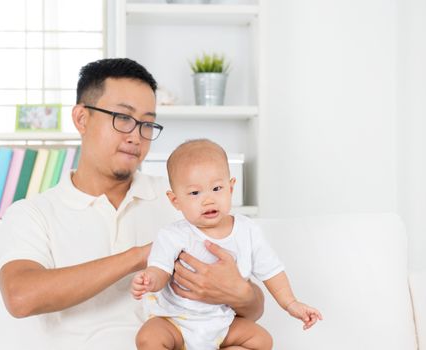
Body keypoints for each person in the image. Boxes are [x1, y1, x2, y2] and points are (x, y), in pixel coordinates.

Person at [0, 58, 266, 349]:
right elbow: (20, 297)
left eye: (147, 124)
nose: (136, 136)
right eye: (123, 118)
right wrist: (141, 256)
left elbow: (253, 309)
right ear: (81, 119)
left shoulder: (185, 199)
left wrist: (240, 291)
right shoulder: (34, 213)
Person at [131, 139, 323, 350]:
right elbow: (160, 268)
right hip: (175, 321)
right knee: (149, 337)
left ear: (230, 188)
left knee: (262, 340)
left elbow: (272, 271)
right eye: (195, 193)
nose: (208, 200)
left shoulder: (247, 231)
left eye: (216, 188)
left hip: (221, 322)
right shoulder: (173, 235)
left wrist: (291, 303)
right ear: (175, 200)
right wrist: (150, 280)